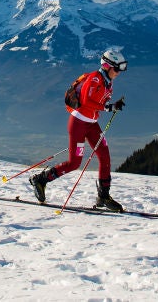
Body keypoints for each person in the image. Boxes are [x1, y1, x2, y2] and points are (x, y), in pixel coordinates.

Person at [30, 49, 128, 211]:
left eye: (121, 69)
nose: (119, 72)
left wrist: (113, 105)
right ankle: (40, 179)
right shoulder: (95, 78)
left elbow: (97, 102)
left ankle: (103, 197)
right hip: (78, 124)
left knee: (105, 156)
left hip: (92, 125)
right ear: (107, 66)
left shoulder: (108, 82)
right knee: (74, 163)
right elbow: (85, 100)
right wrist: (108, 107)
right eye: (117, 68)